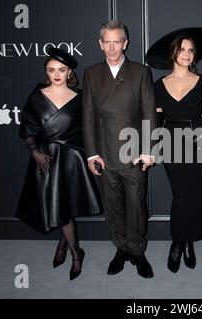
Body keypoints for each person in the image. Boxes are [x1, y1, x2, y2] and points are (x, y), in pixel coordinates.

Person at [16, 47, 101, 281]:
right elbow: (28, 127)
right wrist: (34, 152)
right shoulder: (37, 94)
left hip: (72, 159)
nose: (56, 74)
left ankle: (73, 254)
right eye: (51, 70)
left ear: (69, 72)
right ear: (46, 72)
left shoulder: (81, 97)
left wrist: (91, 155)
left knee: (65, 207)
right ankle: (73, 250)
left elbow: (88, 130)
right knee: (60, 207)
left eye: (61, 70)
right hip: (47, 159)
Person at [82, 20, 156, 279]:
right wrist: (91, 153)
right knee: (112, 206)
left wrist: (148, 149)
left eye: (117, 41)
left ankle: (137, 250)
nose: (112, 47)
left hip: (134, 153)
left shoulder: (140, 72)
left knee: (136, 205)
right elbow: (88, 115)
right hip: (104, 153)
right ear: (100, 44)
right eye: (107, 42)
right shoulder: (91, 74)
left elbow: (149, 113)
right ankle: (121, 248)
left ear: (125, 43)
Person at [146, 28, 202, 273]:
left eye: (191, 50)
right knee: (181, 195)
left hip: (198, 140)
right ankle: (178, 241)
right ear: (173, 53)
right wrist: (151, 149)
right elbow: (156, 122)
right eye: (182, 49)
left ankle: (188, 242)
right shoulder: (159, 85)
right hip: (171, 141)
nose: (187, 54)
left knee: (197, 195)